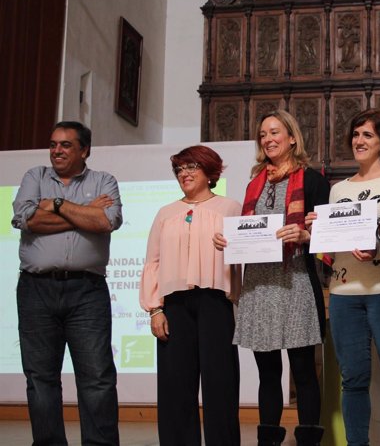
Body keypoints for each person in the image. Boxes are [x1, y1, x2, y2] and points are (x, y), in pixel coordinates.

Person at [213, 110, 330, 446]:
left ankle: (308, 440)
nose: (268, 139)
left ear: (292, 137)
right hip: (258, 287)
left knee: (304, 370)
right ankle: (268, 442)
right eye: (263, 134)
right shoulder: (254, 184)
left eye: (275, 132)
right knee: (267, 373)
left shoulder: (313, 180)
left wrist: (307, 235)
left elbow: (327, 234)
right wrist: (228, 240)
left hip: (294, 282)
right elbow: (249, 231)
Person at [308, 108, 380, 445]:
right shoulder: (338, 189)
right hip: (344, 293)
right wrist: (319, 229)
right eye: (356, 134)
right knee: (352, 379)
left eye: (367, 135)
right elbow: (329, 250)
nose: (359, 140)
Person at [11, 121, 121, 445]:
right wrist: (83, 212)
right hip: (36, 289)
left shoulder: (104, 181)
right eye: (53, 144)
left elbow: (106, 221)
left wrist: (56, 204)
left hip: (87, 291)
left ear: (84, 150)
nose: (56, 151)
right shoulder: (35, 177)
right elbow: (26, 219)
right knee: (40, 378)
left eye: (66, 145)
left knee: (97, 377)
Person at [139, 145, 242, 445]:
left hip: (215, 303)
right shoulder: (165, 213)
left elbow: (246, 253)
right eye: (179, 169)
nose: (184, 173)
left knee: (220, 385)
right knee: (175, 388)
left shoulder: (230, 208)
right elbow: (153, 262)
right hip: (174, 307)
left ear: (210, 172)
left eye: (191, 167)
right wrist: (155, 310)